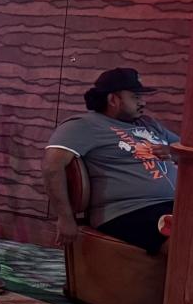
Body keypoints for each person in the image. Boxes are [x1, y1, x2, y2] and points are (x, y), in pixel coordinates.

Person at [43, 68, 177, 253]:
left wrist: (171, 151)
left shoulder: (149, 124)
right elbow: (52, 167)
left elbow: (186, 153)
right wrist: (65, 218)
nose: (143, 102)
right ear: (113, 99)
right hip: (129, 210)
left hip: (173, 204)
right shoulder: (83, 125)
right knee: (186, 238)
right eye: (136, 97)